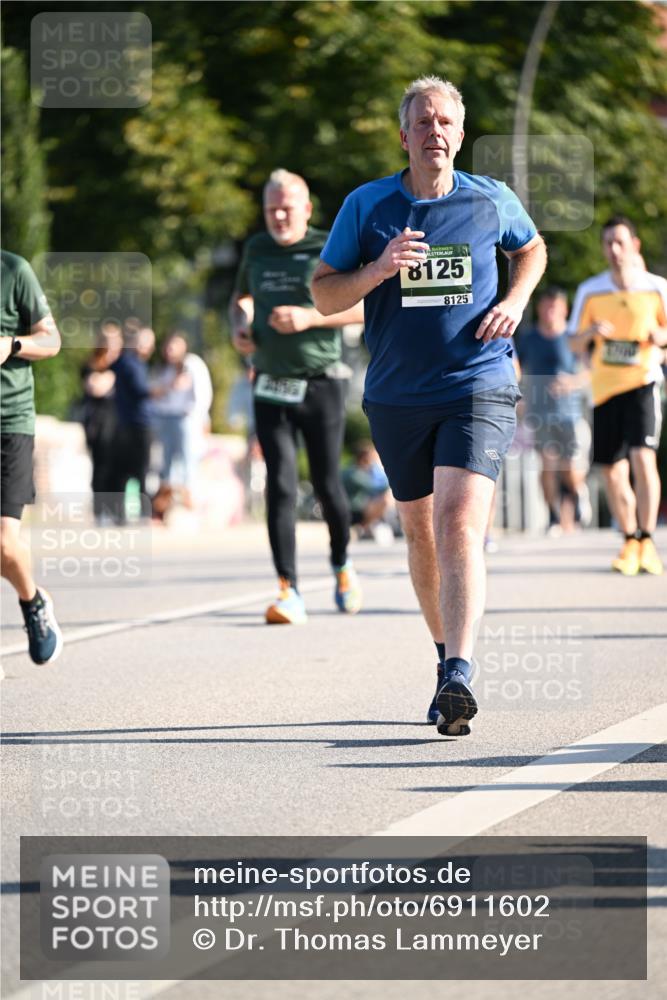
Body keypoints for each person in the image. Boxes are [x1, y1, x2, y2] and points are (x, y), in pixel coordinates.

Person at [311, 76, 546, 735]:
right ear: (404, 135)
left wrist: (514, 302)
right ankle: (445, 658)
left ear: (460, 135)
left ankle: (459, 673)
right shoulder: (368, 206)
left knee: (455, 524)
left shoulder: (488, 199)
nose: (434, 131)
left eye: (445, 122)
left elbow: (529, 249)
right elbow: (326, 297)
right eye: (422, 122)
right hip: (395, 394)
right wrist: (378, 269)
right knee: (417, 530)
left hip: (478, 383)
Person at [230, 169, 365, 624]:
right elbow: (241, 299)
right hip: (269, 382)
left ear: (307, 210)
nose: (280, 216)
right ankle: (288, 589)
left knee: (328, 485)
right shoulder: (256, 248)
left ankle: (342, 564)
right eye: (272, 209)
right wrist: (240, 327)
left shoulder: (329, 246)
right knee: (281, 485)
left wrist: (310, 319)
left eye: (288, 207)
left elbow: (363, 307)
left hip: (321, 381)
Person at [569, 216, 667, 575]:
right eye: (607, 243)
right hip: (604, 389)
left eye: (620, 242)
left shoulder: (658, 289)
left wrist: (661, 338)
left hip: (643, 382)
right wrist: (591, 332)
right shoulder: (590, 291)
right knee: (612, 471)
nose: (613, 250)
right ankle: (629, 541)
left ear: (634, 246)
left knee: (643, 459)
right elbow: (572, 341)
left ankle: (647, 540)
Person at [0, 249, 63, 665]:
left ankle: (33, 601)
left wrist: (13, 343)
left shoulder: (13, 270)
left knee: (4, 544)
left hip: (9, 421)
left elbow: (52, 339)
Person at [517, 287, 590, 534]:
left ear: (564, 310)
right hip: (539, 413)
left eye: (555, 307)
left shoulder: (573, 337)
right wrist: (519, 398)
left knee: (569, 468)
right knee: (547, 464)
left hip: (570, 414)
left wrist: (573, 382)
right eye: (546, 306)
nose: (550, 312)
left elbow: (589, 372)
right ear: (539, 309)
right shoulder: (528, 339)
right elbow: (516, 369)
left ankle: (578, 494)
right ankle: (553, 516)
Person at [108, 322, 156, 524]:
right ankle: (142, 515)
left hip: (129, 423)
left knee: (128, 471)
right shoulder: (131, 363)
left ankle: (124, 515)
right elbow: (141, 391)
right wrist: (166, 388)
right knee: (136, 471)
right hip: (136, 425)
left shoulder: (131, 363)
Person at [80, 321, 122, 522]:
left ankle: (117, 512)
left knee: (119, 469)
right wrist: (112, 376)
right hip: (100, 425)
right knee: (101, 468)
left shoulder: (124, 364)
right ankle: (100, 512)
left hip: (122, 425)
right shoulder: (92, 364)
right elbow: (94, 387)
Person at [342, 439, 395, 543]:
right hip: (351, 511)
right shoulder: (355, 473)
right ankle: (364, 528)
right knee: (385, 500)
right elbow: (375, 488)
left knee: (385, 498)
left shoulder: (353, 469)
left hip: (350, 508)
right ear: (365, 458)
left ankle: (366, 528)